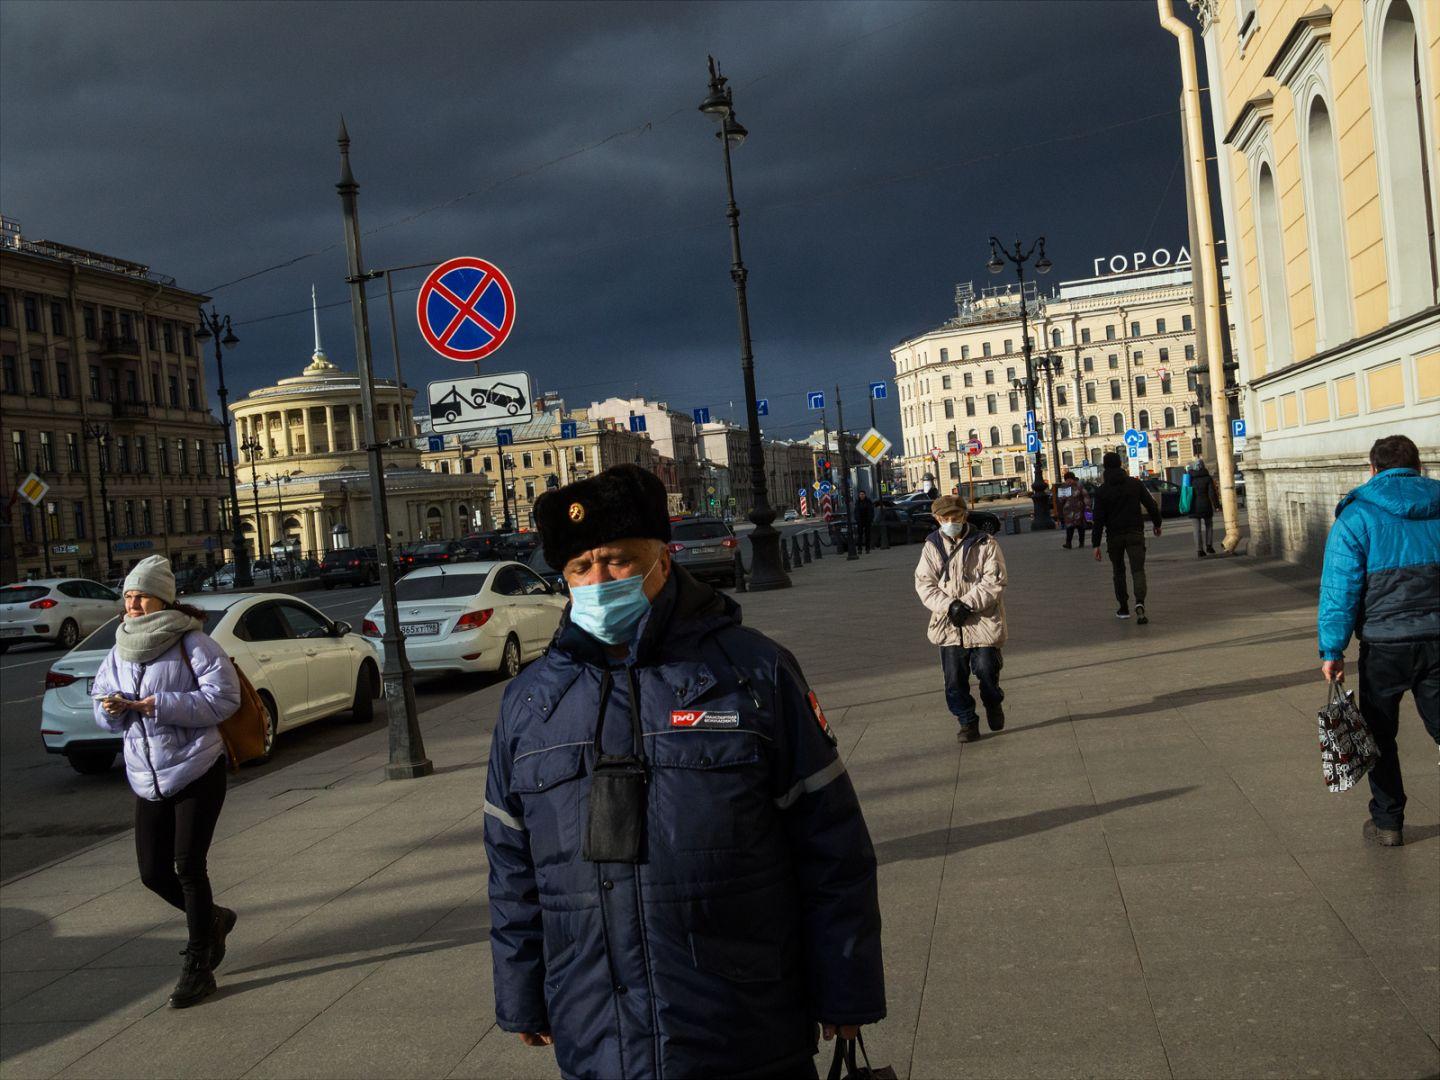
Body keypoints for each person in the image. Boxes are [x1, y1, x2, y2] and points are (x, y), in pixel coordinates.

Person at [484, 465, 885, 1079]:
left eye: (617, 560)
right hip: (596, 1025)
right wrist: (522, 992)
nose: (599, 580)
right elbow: (511, 865)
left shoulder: (751, 671)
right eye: (580, 570)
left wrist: (846, 987)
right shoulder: (531, 702)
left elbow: (831, 840)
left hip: (742, 1025)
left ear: (662, 562)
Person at [91, 555, 241, 1008]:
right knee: (152, 873)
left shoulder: (192, 643)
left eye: (141, 596)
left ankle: (199, 964)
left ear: (163, 599)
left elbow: (224, 699)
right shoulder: (118, 649)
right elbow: (99, 703)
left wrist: (158, 705)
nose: (132, 603)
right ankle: (212, 920)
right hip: (145, 775)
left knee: (188, 867)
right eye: (129, 596)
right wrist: (112, 710)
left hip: (196, 766)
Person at [1317, 435, 1439, 848]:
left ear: (1372, 469)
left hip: (1384, 646)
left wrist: (1333, 650)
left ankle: (1388, 823)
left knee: (1380, 734)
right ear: (1418, 467)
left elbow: (1340, 588)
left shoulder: (1357, 515)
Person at [914, 493, 1007, 742]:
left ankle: (992, 700)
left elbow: (994, 580)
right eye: (945, 517)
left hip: (982, 621)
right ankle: (967, 721)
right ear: (936, 519)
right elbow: (925, 584)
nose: (950, 521)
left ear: (964, 515)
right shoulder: (931, 546)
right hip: (948, 625)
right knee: (954, 680)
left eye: (955, 516)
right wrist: (949, 606)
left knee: (987, 670)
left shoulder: (986, 543)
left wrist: (965, 604)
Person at [1091, 451, 1162, 623]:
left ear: (1105, 467)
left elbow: (1098, 519)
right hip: (1135, 533)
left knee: (1119, 571)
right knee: (1137, 570)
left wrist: (1096, 544)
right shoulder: (1134, 484)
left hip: (1114, 536)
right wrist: (1157, 524)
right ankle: (1140, 602)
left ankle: (1123, 607)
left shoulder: (1102, 491)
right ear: (1121, 464)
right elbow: (1151, 505)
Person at [1187, 458, 1217, 557]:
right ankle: (1209, 546)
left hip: (1193, 506)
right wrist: (1217, 505)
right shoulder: (1207, 478)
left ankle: (1199, 550)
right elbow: (1212, 494)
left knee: (1196, 529)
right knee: (1209, 526)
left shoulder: (1189, 478)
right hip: (1205, 505)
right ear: (1204, 466)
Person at [1059, 471, 1089, 549]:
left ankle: (1081, 543)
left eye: (1070, 479)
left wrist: (1087, 506)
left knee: (1080, 527)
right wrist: (1062, 498)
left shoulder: (1079, 486)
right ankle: (1068, 543)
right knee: (1069, 527)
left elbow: (1085, 495)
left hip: (1079, 510)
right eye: (1067, 479)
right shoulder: (1063, 487)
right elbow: (1060, 500)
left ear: (1073, 479)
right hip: (1068, 511)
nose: (1068, 481)